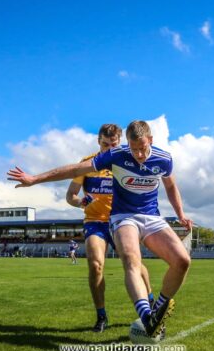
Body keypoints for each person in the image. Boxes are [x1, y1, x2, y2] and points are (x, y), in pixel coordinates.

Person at [8, 120, 192, 338]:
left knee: (182, 261)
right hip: (121, 217)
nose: (139, 155)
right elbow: (75, 170)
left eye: (142, 149)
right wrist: (34, 179)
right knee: (129, 260)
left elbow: (171, 186)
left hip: (151, 216)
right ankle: (143, 317)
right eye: (134, 150)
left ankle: (157, 310)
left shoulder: (164, 159)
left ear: (150, 140)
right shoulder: (115, 155)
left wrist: (180, 214)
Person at [65, 123, 154, 332]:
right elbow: (70, 196)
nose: (109, 149)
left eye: (113, 145)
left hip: (121, 220)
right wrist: (80, 202)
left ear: (119, 143)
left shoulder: (127, 162)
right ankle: (101, 316)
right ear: (98, 142)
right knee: (95, 265)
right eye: (105, 145)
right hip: (95, 221)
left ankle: (150, 304)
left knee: (134, 264)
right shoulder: (87, 164)